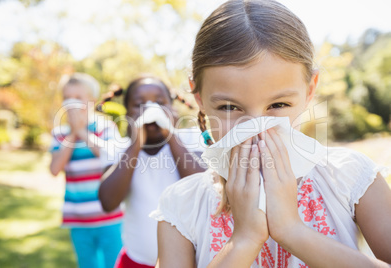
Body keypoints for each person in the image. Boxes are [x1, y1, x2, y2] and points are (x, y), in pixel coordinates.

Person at [151, 1, 391, 267]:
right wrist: (244, 240)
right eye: (229, 107)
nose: (255, 129)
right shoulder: (181, 206)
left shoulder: (351, 178)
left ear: (310, 90)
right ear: (199, 98)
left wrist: (292, 231)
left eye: (278, 105)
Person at [98, 75, 206, 268]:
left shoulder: (189, 139)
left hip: (192, 262)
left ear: (172, 109)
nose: (150, 109)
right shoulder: (118, 148)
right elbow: (108, 202)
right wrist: (136, 143)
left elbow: (204, 188)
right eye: (139, 104)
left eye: (159, 102)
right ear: (127, 113)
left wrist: (171, 135)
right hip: (137, 260)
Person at [49, 73, 124, 268]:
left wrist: (82, 131)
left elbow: (110, 155)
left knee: (113, 263)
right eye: (68, 98)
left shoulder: (106, 128)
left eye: (78, 98)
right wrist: (73, 133)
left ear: (91, 102)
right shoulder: (60, 134)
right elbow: (55, 168)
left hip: (110, 217)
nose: (72, 103)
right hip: (78, 219)